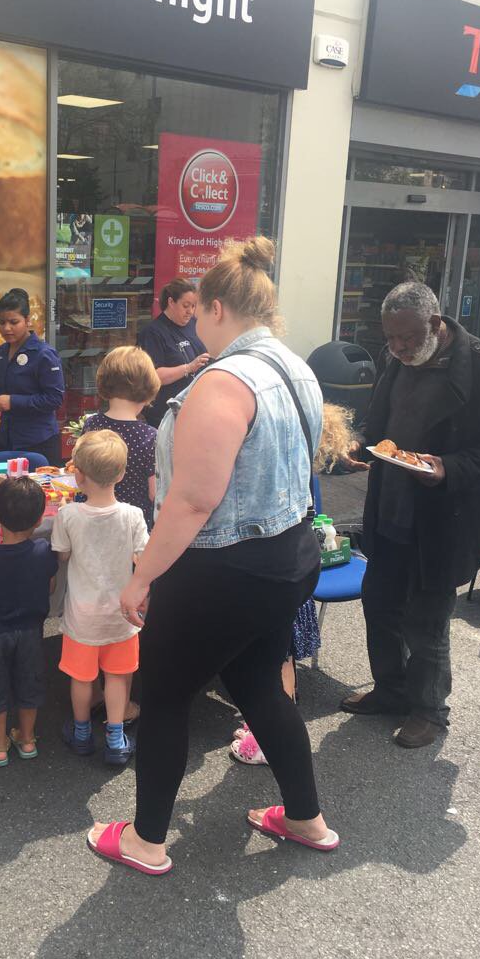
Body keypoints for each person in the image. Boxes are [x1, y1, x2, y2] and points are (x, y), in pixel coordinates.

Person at [87, 237, 337, 877]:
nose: (194, 320)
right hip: (289, 555)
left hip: (224, 567)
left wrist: (142, 577)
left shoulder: (224, 382)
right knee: (259, 685)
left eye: (198, 309)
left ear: (218, 308)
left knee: (165, 695)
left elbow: (194, 500)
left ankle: (145, 840)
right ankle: (305, 818)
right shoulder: (295, 366)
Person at [341, 281, 480, 748]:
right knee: (379, 604)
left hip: (444, 516)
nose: (397, 348)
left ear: (436, 325)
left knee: (427, 618)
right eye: (390, 339)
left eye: (407, 338)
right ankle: (391, 689)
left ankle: (430, 711)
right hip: (390, 506)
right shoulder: (396, 357)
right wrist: (362, 445)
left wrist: (449, 468)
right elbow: (380, 422)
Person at [231, 402, 356, 766]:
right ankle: (268, 724)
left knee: (274, 663)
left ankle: (267, 739)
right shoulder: (301, 473)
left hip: (275, 575)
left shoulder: (279, 477)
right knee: (277, 658)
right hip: (294, 572)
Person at [52, 429, 149, 766]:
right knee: (118, 677)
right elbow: (143, 557)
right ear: (121, 474)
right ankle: (116, 736)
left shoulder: (68, 515)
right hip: (121, 614)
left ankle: (81, 732)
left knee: (81, 678)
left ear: (78, 476)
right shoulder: (133, 515)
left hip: (82, 615)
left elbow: (62, 555)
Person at [0, 477, 58, 767]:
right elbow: (51, 586)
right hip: (30, 631)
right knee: (29, 683)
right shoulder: (43, 551)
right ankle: (27, 739)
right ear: (40, 519)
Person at [0, 288, 65, 466]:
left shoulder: (44, 354)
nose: (7, 328)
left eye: (14, 322)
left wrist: (13, 402)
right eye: (2, 322)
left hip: (38, 441)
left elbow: (55, 399)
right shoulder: (2, 351)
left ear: (27, 320)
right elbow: (8, 390)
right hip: (7, 438)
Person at [83, 346, 161, 527]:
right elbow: (155, 493)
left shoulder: (92, 425)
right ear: (148, 388)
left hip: (93, 521)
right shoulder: (150, 437)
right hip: (133, 527)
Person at [137, 278, 210, 427]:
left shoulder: (195, 324)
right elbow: (153, 376)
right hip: (165, 415)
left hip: (196, 408)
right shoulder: (153, 332)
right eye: (185, 306)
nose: (190, 311)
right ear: (171, 302)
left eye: (193, 306)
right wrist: (188, 368)